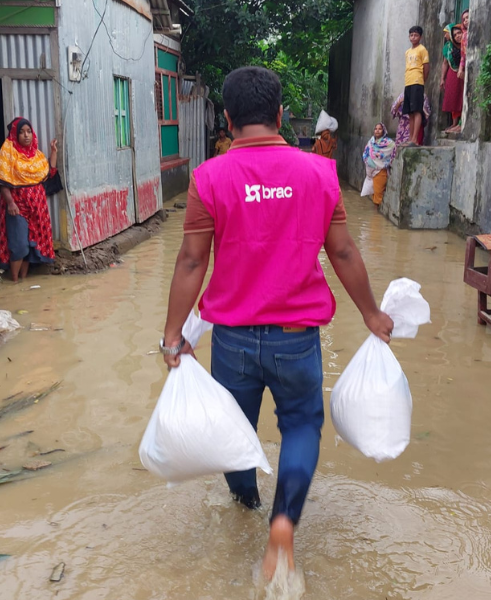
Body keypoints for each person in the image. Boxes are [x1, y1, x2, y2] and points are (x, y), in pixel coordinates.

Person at [161, 66, 393, 581]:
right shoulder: (318, 172)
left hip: (234, 343)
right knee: (303, 427)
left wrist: (173, 334)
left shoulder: (209, 178)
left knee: (233, 431)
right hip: (296, 342)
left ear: (226, 119)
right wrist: (372, 314)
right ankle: (282, 523)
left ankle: (245, 505)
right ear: (281, 114)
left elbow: (192, 262)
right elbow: (343, 251)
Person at [0, 118, 58, 283]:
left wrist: (54, 151)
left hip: (37, 207)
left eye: (28, 131)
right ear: (15, 134)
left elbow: (49, 173)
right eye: (21, 132)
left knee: (30, 244)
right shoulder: (8, 153)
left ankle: (23, 281)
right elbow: (2, 182)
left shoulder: (36, 154)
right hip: (18, 206)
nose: (26, 135)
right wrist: (11, 203)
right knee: (19, 245)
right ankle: (14, 281)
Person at [402, 25, 430, 147]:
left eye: (416, 35)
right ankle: (410, 138)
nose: (413, 37)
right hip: (408, 82)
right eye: (411, 35)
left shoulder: (422, 50)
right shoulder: (407, 52)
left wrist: (422, 80)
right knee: (410, 112)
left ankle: (415, 139)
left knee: (417, 110)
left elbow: (426, 68)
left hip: (417, 82)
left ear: (420, 37)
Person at [362, 123, 396, 206]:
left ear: (383, 131)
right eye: (376, 129)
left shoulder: (389, 143)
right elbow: (366, 153)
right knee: (374, 193)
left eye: (380, 129)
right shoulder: (371, 141)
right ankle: (376, 215)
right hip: (371, 172)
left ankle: (376, 216)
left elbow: (392, 152)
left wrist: (377, 155)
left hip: (380, 171)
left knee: (378, 194)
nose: (377, 130)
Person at [441, 25, 465, 133]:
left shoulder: (465, 44)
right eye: (454, 35)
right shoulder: (448, 47)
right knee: (453, 97)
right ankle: (455, 123)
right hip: (453, 72)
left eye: (458, 33)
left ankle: (461, 122)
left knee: (461, 97)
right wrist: (442, 78)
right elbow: (445, 63)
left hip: (463, 73)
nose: (457, 36)